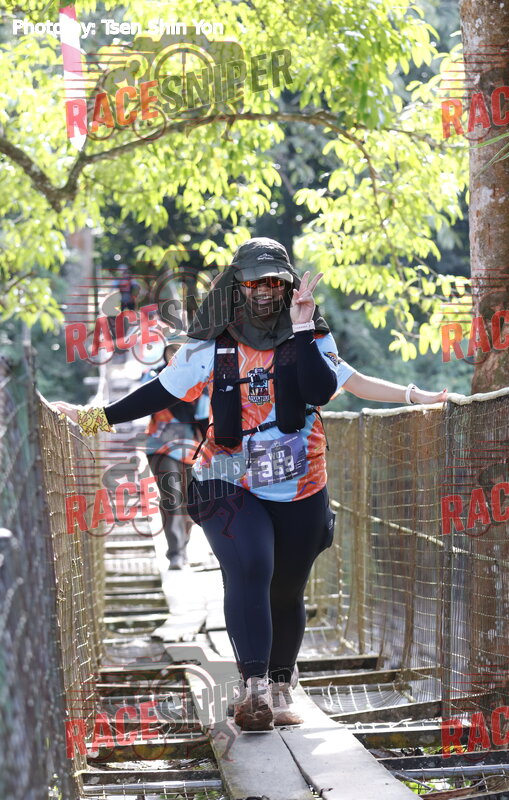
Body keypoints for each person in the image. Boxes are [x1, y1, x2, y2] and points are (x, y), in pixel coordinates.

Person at [54, 237, 340, 732]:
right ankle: (253, 690)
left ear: (288, 285)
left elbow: (322, 389)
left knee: (286, 589)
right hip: (226, 478)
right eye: (254, 281)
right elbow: (161, 391)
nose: (265, 290)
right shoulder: (212, 342)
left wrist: (300, 327)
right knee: (251, 566)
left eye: (275, 281)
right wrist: (93, 417)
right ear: (237, 286)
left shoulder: (312, 334)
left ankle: (280, 685)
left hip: (300, 483)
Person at [141, 341, 201, 569]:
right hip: (161, 446)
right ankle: (175, 552)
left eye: (179, 350)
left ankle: (183, 546)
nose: (175, 354)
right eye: (171, 350)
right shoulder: (154, 376)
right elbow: (143, 400)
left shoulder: (200, 375)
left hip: (191, 447)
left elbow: (204, 411)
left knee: (190, 500)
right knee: (171, 497)